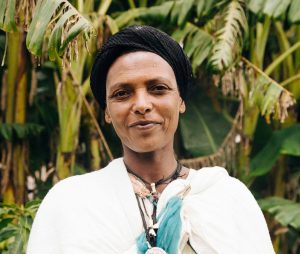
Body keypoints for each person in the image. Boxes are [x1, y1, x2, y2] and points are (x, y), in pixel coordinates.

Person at [27, 25, 275, 254]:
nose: (142, 105)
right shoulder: (70, 203)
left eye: (158, 89)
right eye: (122, 93)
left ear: (181, 101)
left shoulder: (227, 199)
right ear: (107, 112)